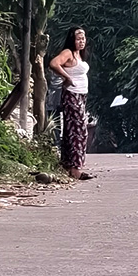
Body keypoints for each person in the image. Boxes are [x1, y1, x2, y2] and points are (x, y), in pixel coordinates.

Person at [49, 27, 93, 179]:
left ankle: (69, 164)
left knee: (73, 130)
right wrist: (66, 77)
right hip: (71, 95)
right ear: (72, 40)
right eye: (78, 39)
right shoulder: (67, 53)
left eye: (83, 38)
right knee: (78, 130)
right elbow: (54, 63)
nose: (82, 42)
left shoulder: (79, 55)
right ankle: (75, 168)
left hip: (81, 95)